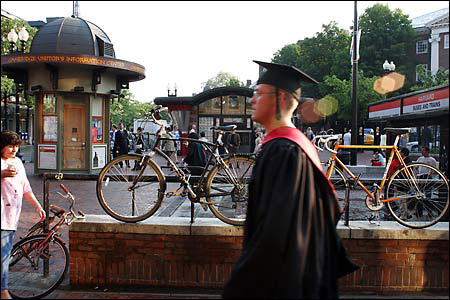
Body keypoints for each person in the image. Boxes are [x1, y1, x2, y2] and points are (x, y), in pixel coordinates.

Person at [222, 61, 358, 299]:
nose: (252, 100)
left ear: (281, 98)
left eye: (258, 93)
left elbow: (275, 234)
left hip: (286, 283)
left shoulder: (284, 152)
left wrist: (240, 284)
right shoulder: (290, 147)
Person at [1, 131, 46, 300]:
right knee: (3, 258)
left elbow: (25, 188)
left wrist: (37, 206)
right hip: (2, 218)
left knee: (4, 255)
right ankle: (3, 292)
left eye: (16, 146)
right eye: (10, 145)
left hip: (11, 217)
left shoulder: (18, 163)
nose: (14, 149)